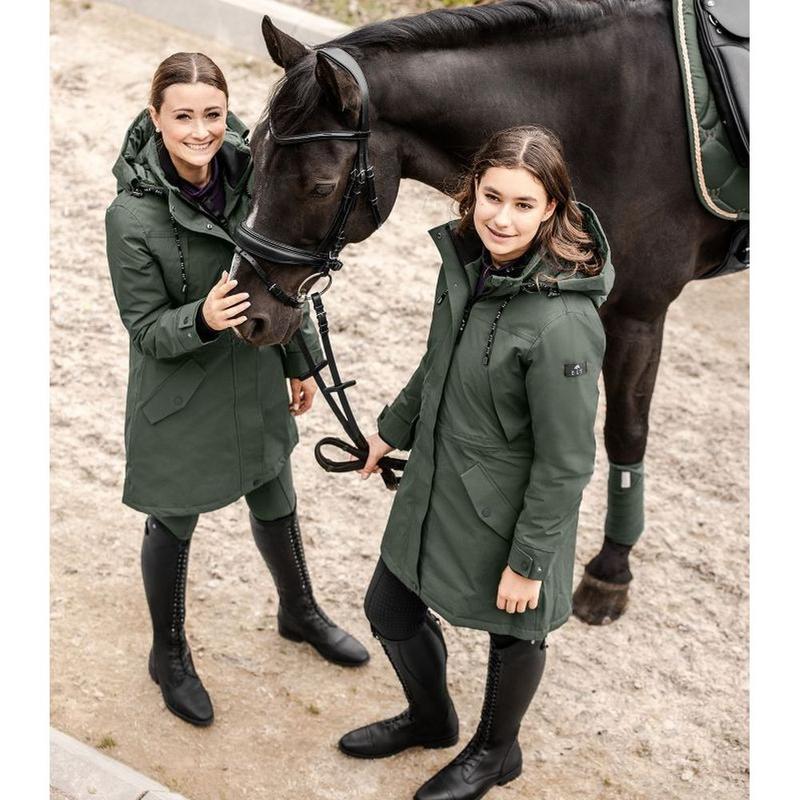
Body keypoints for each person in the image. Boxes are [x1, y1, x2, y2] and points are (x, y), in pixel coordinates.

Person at [338, 126, 614, 799]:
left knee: (514, 633)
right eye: (492, 197)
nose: (502, 218)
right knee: (389, 607)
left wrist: (529, 560)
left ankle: (494, 753)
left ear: (551, 209)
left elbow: (568, 461)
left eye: (524, 204)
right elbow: (440, 359)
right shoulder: (467, 262)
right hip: (435, 480)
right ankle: (431, 719)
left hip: (509, 510)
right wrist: (390, 431)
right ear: (472, 192)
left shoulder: (563, 325)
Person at [105, 52, 368, 728]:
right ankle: (168, 654)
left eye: (213, 114)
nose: (201, 131)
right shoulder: (130, 217)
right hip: (180, 394)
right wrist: (201, 318)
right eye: (183, 116)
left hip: (253, 374)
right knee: (172, 519)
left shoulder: (258, 174)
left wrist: (300, 361)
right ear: (156, 118)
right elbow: (145, 329)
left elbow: (285, 278)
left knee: (276, 491)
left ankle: (299, 611)